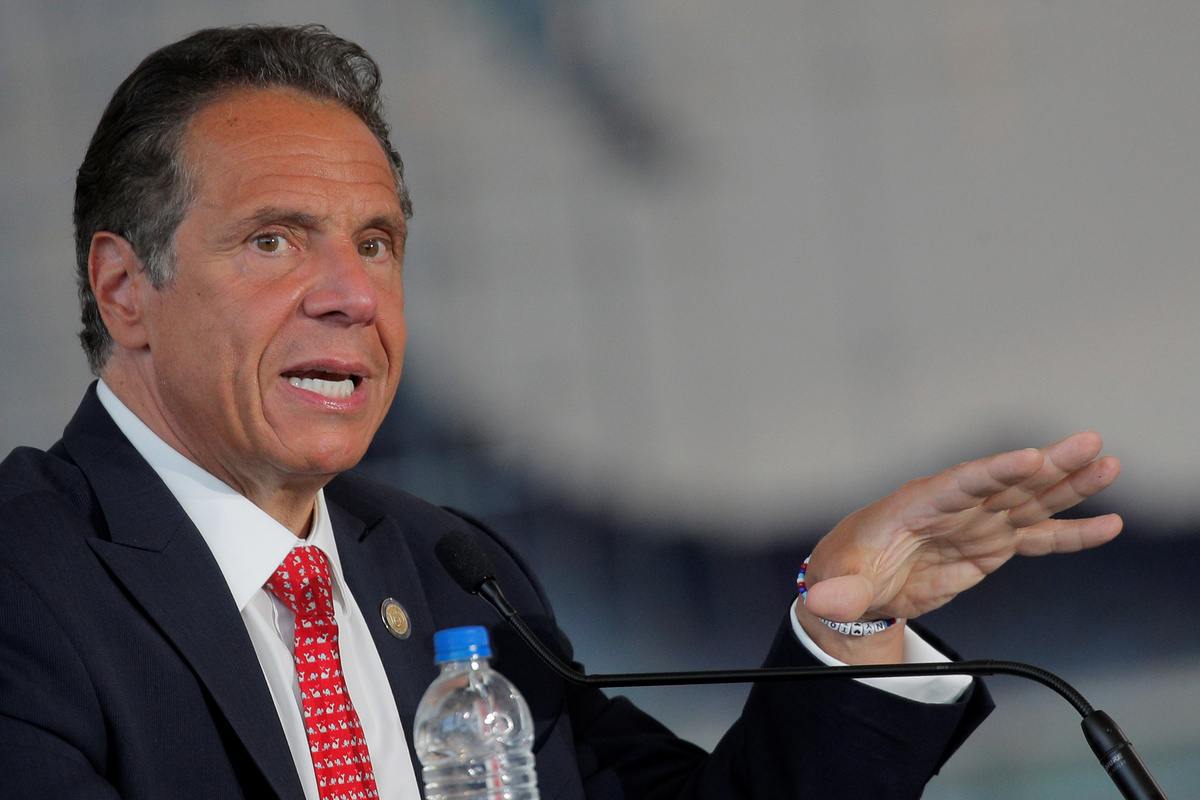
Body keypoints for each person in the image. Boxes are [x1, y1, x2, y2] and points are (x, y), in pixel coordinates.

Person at [0, 24, 1122, 800]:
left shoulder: (449, 570)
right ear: (125, 289)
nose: (352, 295)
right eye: (274, 239)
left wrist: (850, 624)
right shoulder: (25, 580)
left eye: (376, 243)